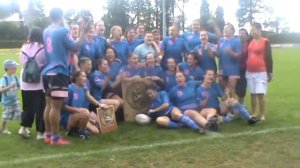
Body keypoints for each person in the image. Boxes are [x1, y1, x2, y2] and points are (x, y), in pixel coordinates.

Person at [42, 8, 89, 145]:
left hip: (47, 72)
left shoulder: (46, 31)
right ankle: (56, 138)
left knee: (49, 105)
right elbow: (75, 47)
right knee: (56, 107)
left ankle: (48, 135)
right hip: (59, 71)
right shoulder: (63, 30)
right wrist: (83, 32)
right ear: (61, 16)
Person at [18, 27, 46, 139]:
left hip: (25, 82)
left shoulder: (24, 47)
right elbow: (45, 63)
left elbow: (22, 64)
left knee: (27, 107)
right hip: (39, 83)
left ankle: (23, 128)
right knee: (40, 108)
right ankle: (40, 132)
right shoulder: (43, 48)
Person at [61, 71, 100, 140]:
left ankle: (76, 130)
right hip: (69, 117)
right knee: (86, 114)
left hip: (81, 115)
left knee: (96, 131)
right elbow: (63, 106)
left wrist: (99, 105)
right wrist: (77, 110)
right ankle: (81, 132)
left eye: (85, 76)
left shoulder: (84, 89)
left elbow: (89, 98)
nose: (85, 79)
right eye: (83, 76)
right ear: (76, 77)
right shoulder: (70, 88)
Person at [246, 22, 273, 120]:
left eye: (253, 30)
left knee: (260, 93)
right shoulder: (250, 41)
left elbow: (269, 57)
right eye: (251, 30)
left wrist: (270, 72)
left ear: (259, 29)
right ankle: (254, 113)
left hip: (261, 71)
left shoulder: (265, 41)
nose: (252, 32)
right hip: (250, 71)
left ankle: (262, 114)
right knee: (252, 93)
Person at [217, 23, 242, 94]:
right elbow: (219, 55)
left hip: (233, 70)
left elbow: (239, 56)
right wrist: (213, 51)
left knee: (231, 90)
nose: (225, 30)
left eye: (227, 28)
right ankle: (227, 105)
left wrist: (231, 53)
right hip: (222, 69)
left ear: (232, 31)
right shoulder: (221, 40)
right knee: (223, 91)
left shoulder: (236, 41)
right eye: (224, 29)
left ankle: (235, 105)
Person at [0, 60, 22, 135]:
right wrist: (10, 86)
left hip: (15, 100)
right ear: (8, 69)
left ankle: (22, 128)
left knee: (19, 114)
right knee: (6, 116)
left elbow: (20, 86)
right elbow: (1, 90)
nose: (16, 69)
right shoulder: (4, 79)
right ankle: (3, 129)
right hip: (7, 102)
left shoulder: (15, 77)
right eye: (14, 68)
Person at [236, 28, 250, 104]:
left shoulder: (248, 45)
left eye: (243, 33)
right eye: (239, 33)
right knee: (234, 89)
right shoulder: (235, 43)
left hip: (244, 69)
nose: (240, 35)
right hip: (234, 69)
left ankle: (241, 105)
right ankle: (234, 107)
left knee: (241, 89)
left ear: (246, 36)